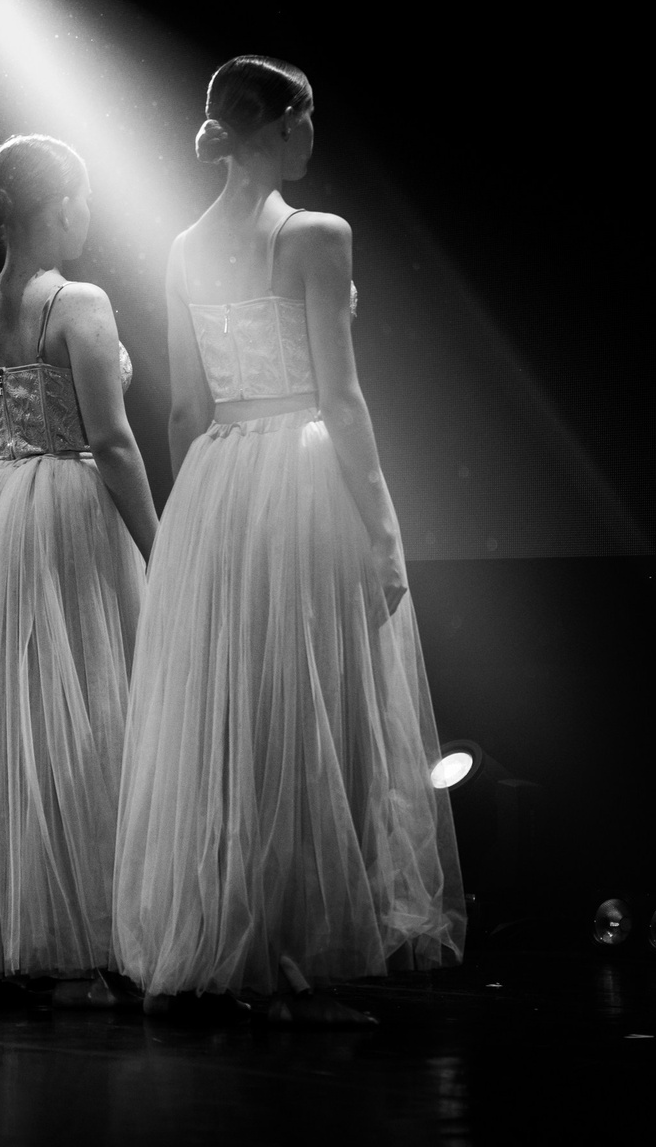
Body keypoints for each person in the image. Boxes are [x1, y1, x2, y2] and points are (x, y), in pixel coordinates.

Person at [113, 57, 463, 1024]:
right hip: (300, 480)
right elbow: (341, 398)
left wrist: (193, 526)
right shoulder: (317, 235)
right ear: (279, 125)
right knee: (314, 715)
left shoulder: (185, 245)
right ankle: (286, 963)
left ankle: (244, 952)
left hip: (220, 479)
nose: (314, 134)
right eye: (308, 117)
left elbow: (184, 409)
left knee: (240, 723)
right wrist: (384, 529)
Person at [0, 136, 156, 1004]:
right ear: (58, 207)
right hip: (71, 515)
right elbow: (112, 442)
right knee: (83, 715)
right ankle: (80, 947)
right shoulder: (78, 301)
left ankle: (4, 935)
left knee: (11, 729)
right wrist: (162, 549)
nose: (89, 215)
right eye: (83, 198)